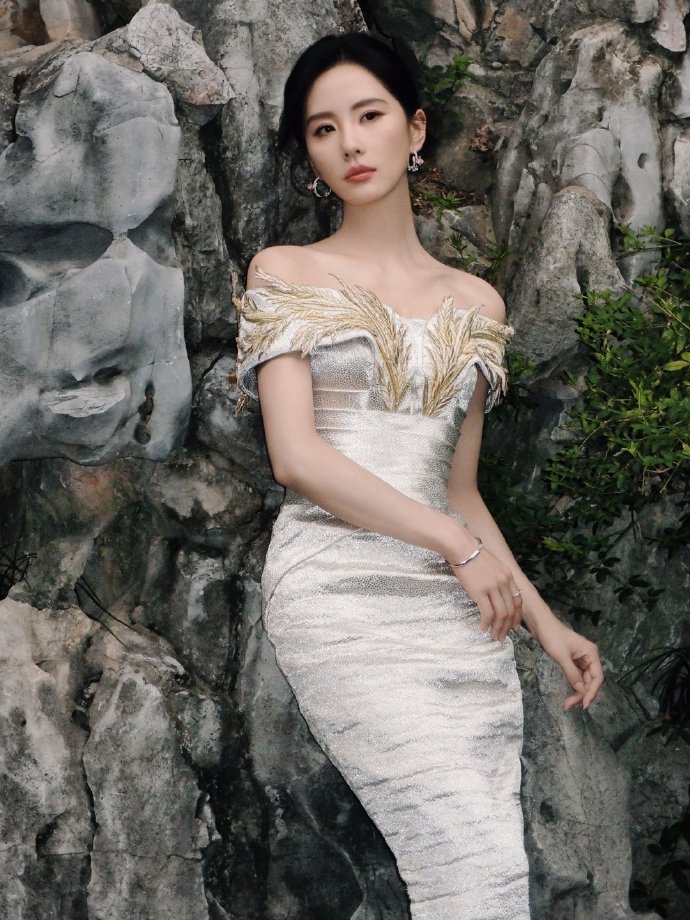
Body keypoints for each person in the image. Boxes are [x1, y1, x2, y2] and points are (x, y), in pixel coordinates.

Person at [234, 32, 604, 920]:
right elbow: (297, 458)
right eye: (324, 129)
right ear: (309, 154)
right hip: (339, 591)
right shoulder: (287, 272)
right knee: (461, 864)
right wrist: (452, 545)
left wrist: (546, 624)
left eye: (369, 116)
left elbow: (461, 491)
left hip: (457, 612)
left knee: (489, 872)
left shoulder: (476, 302)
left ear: (416, 129)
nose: (350, 144)